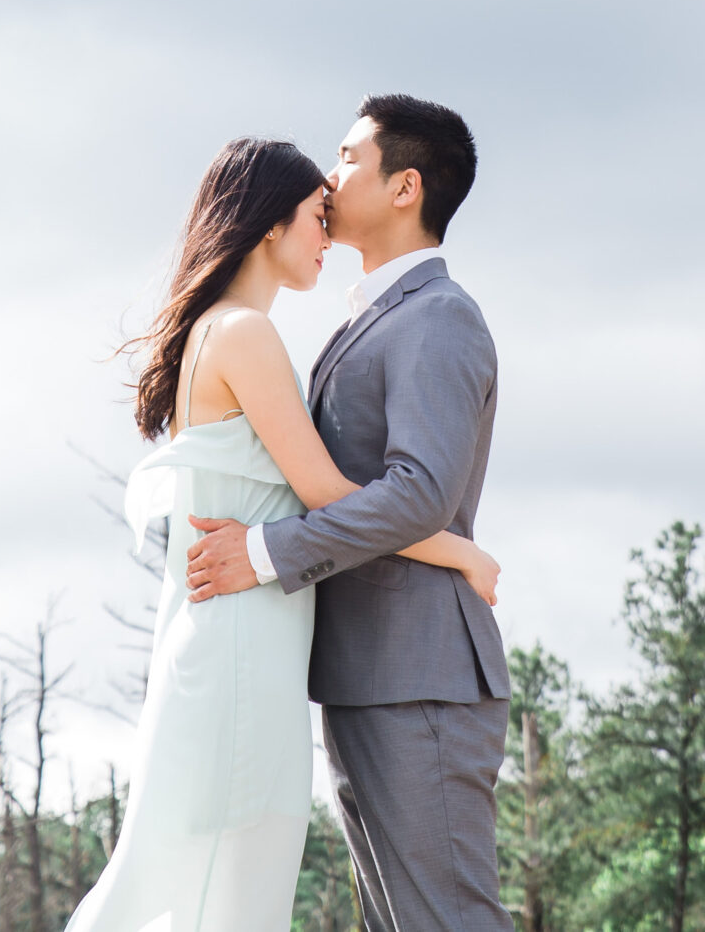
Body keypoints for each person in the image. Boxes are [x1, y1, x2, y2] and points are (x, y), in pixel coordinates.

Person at [67, 104, 505, 932]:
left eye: (347, 158)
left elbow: (413, 491)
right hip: (349, 671)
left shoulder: (437, 317)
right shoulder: (320, 327)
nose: (330, 182)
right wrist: (457, 552)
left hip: (418, 673)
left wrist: (266, 552)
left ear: (405, 186)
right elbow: (328, 488)